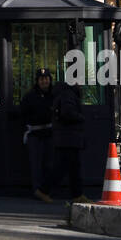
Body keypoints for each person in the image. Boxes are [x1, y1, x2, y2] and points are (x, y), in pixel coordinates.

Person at [48, 76, 90, 202]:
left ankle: (76, 194)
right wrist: (81, 117)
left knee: (68, 167)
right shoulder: (69, 94)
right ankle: (46, 190)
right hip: (69, 137)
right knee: (69, 168)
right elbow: (67, 113)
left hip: (66, 137)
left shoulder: (66, 93)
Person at [20, 67, 55, 203]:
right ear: (37, 81)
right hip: (35, 134)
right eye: (41, 79)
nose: (44, 81)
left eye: (46, 78)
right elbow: (23, 113)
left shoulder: (54, 95)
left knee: (49, 163)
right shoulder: (30, 96)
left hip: (49, 133)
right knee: (36, 164)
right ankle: (38, 190)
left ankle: (46, 190)